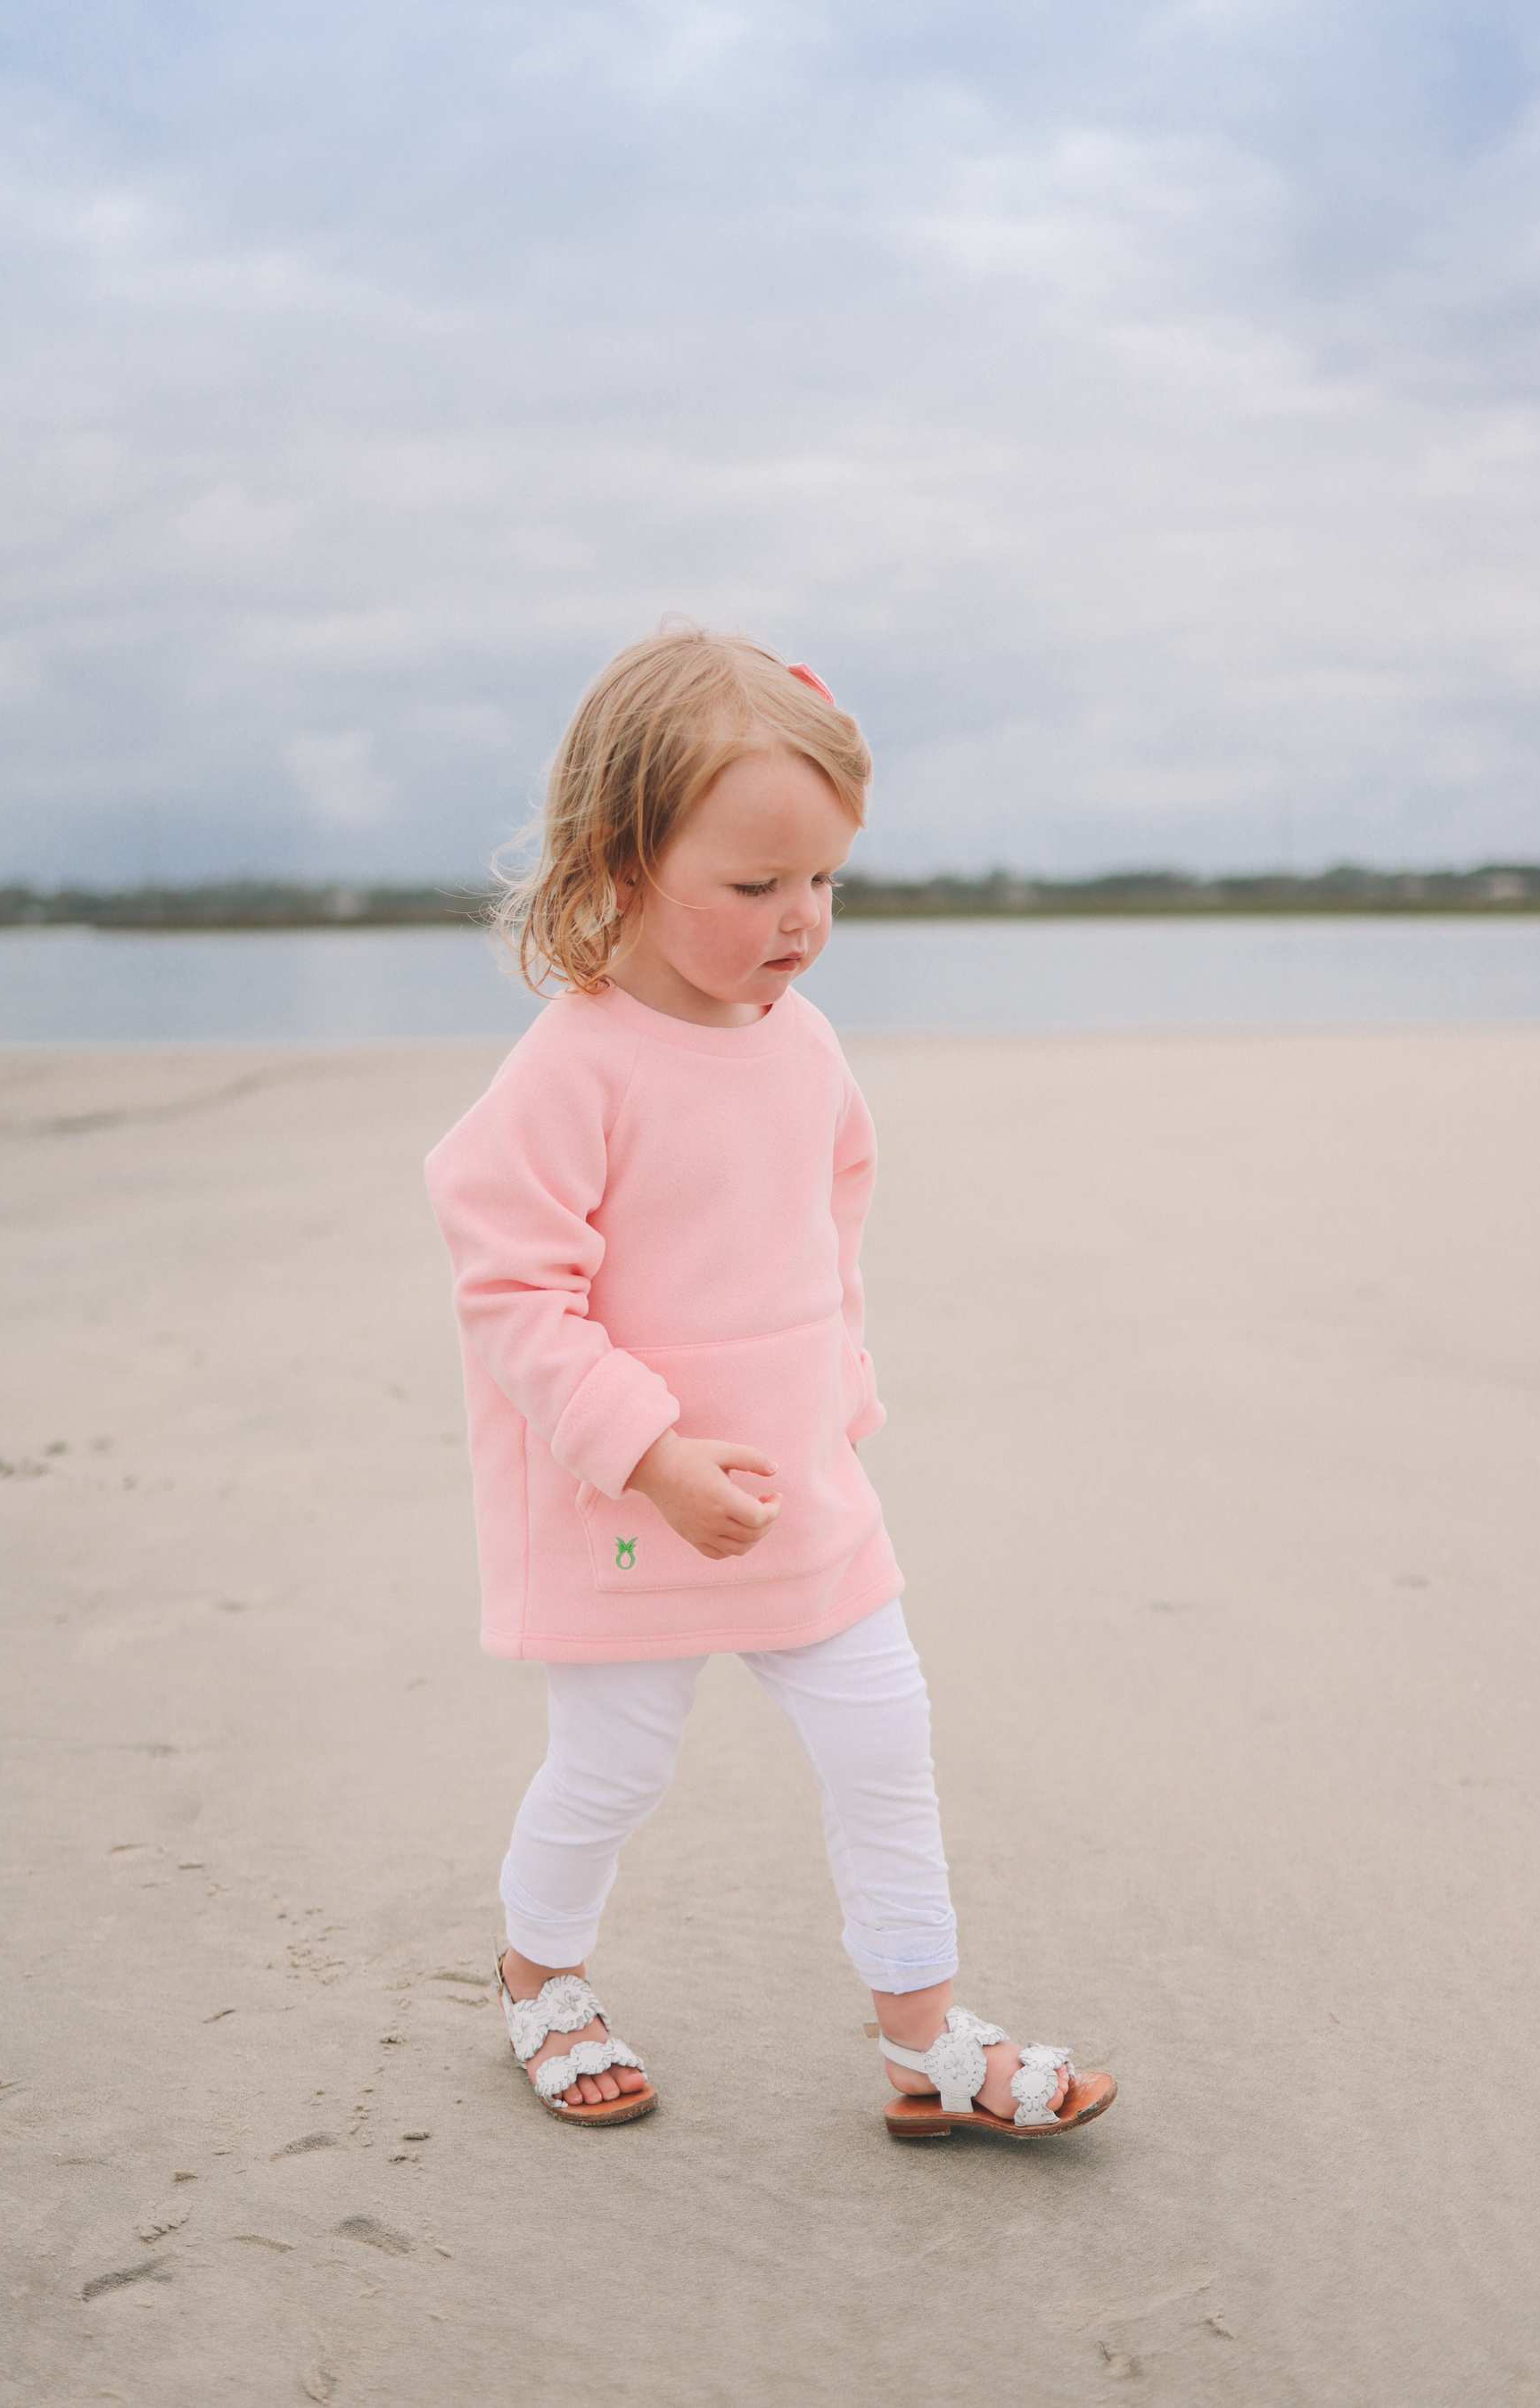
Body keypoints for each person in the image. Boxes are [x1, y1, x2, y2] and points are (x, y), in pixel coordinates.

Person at [424, 627, 1116, 2142]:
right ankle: (540, 1976)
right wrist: (651, 1451)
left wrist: (839, 1386)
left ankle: (925, 2041)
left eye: (824, 883)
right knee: (611, 1767)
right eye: (755, 888)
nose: (801, 921)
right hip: (629, 1501)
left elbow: (830, 1209)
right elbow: (510, 1294)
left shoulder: (802, 1044)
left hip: (800, 1485)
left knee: (885, 1740)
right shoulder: (575, 1066)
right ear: (619, 863)